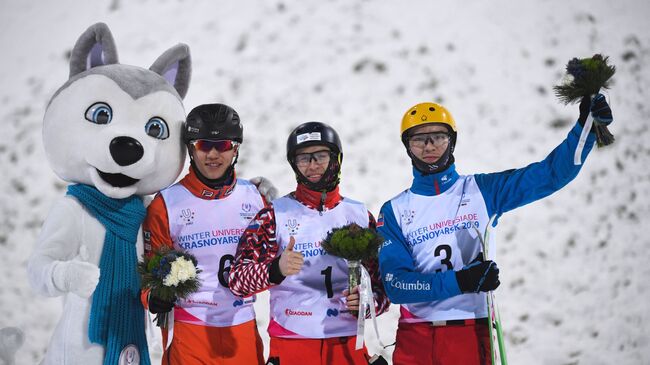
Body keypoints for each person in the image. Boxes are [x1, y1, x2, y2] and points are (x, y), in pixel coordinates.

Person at [377, 95, 613, 365]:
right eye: (418, 138)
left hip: (470, 334)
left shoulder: (484, 190)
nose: (429, 146)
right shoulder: (393, 210)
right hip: (415, 340)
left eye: (438, 136)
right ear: (407, 146)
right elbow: (396, 286)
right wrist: (463, 281)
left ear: (452, 141)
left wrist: (585, 128)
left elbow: (550, 175)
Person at [229, 121, 390, 365]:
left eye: (320, 156)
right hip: (293, 344)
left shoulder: (359, 215)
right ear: (294, 164)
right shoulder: (273, 215)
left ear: (336, 159)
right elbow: (238, 280)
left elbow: (382, 289)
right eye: (304, 158)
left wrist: (366, 305)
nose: (313, 165)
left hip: (347, 346)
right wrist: (275, 269)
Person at [141, 103, 276, 365]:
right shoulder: (166, 204)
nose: (213, 154)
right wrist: (153, 296)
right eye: (204, 145)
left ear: (235, 148)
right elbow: (149, 273)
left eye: (223, 145)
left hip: (243, 330)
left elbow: (276, 265)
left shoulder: (257, 199)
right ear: (191, 148)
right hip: (189, 332)